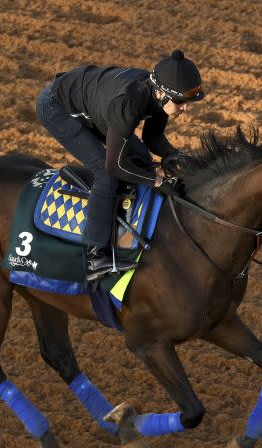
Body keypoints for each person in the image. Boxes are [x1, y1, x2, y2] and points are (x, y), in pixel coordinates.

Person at [36, 49, 204, 277]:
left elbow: (152, 137)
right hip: (58, 108)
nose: (185, 108)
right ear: (161, 94)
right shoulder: (129, 103)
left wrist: (175, 156)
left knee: (141, 158)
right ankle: (95, 256)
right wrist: (157, 181)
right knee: (106, 174)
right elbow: (113, 165)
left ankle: (124, 213)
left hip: (97, 105)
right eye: (180, 102)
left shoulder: (155, 94)